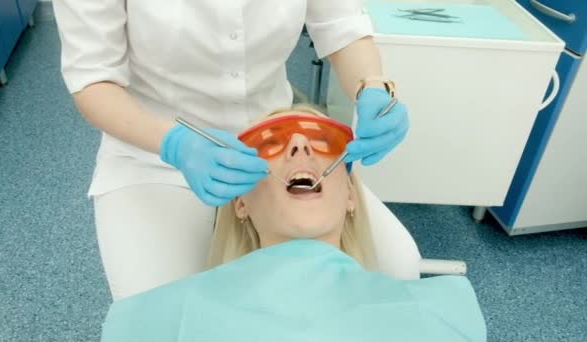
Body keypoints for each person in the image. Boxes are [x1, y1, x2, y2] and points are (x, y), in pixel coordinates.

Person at [52, 0, 410, 300]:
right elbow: (92, 78)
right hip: (155, 153)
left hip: (272, 143)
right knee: (159, 308)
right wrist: (175, 144)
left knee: (399, 265)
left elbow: (341, 23)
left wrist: (372, 87)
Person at [100, 109, 486, 341]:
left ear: (352, 196)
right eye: (271, 143)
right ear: (241, 202)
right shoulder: (153, 323)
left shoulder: (444, 317)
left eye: (324, 142)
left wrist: (371, 80)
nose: (300, 146)